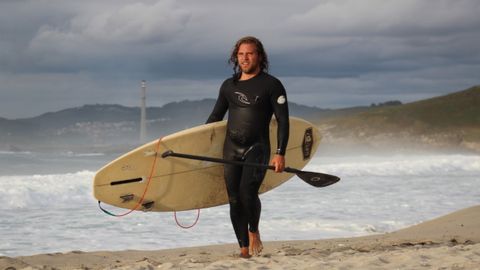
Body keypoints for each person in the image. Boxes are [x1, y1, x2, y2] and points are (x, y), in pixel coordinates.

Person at [206, 36, 290, 258]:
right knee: (233, 198)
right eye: (241, 54)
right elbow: (215, 116)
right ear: (236, 57)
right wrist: (197, 142)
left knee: (247, 193)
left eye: (249, 53)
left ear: (259, 56)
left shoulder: (272, 85)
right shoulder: (228, 86)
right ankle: (243, 250)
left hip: (258, 147)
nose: (244, 58)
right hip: (231, 149)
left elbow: (283, 120)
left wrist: (280, 153)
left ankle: (253, 230)